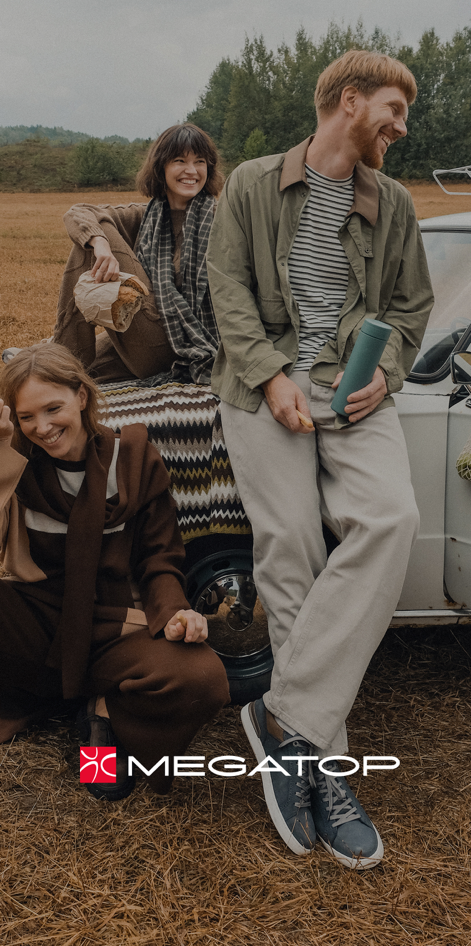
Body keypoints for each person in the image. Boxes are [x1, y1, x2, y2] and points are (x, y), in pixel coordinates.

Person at [206, 50, 434, 868]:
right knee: (293, 547)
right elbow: (225, 285)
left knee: (391, 517)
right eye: (393, 112)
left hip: (353, 388)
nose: (400, 130)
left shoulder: (394, 203)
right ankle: (324, 767)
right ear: (347, 100)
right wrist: (270, 380)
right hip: (259, 385)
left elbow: (410, 305)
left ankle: (285, 724)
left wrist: (388, 372)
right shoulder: (254, 184)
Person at [0, 343, 229, 799]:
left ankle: (105, 711)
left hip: (112, 624)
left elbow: (159, 558)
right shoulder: (16, 465)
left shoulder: (135, 459)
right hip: (41, 618)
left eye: (53, 408)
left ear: (81, 397)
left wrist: (175, 612)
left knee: (203, 678)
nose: (42, 427)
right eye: (27, 417)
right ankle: (29, 698)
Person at [6, 124, 224, 384]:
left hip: (186, 344)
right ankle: (51, 357)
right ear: (161, 167)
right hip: (143, 341)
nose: (191, 170)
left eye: (199, 161)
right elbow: (79, 212)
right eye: (180, 161)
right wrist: (100, 243)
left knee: (65, 365)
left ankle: (57, 352)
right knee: (78, 373)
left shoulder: (221, 219)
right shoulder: (146, 216)